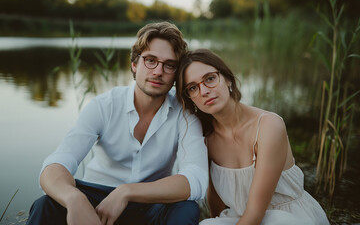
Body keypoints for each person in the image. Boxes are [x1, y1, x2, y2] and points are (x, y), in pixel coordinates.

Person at [26, 22, 208, 225]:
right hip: (96, 200)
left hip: (150, 204)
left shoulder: (185, 113)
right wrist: (74, 198)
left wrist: (127, 191)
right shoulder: (104, 106)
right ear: (134, 64)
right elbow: (57, 163)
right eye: (150, 60)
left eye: (169, 65)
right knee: (46, 203)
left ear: (176, 73)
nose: (158, 71)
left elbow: (196, 179)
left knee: (186, 208)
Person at [175, 48, 329, 225]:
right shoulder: (206, 137)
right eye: (193, 87)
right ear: (190, 98)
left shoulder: (268, 126)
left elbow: (255, 215)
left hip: (287, 218)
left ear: (227, 79)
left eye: (210, 79)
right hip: (241, 217)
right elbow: (214, 198)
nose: (204, 91)